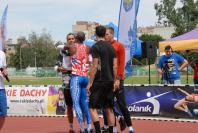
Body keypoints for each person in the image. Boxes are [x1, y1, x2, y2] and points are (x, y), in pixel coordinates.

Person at [87, 25, 117, 133]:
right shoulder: (111, 47)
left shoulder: (95, 47)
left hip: (99, 80)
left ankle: (98, 131)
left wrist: (90, 83)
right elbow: (115, 66)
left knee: (92, 107)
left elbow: (94, 66)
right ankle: (111, 130)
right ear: (105, 34)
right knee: (109, 108)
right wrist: (115, 81)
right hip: (109, 80)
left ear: (95, 34)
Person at [104, 26, 135, 133]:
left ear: (112, 34)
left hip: (117, 80)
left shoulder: (119, 46)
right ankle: (114, 129)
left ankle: (130, 128)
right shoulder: (104, 47)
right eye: (104, 34)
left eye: (107, 34)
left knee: (121, 104)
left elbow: (121, 64)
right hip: (107, 80)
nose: (105, 36)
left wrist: (118, 79)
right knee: (108, 105)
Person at [68, 31, 92, 133]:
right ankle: (89, 125)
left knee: (76, 103)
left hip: (76, 77)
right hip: (85, 77)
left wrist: (66, 46)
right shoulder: (88, 47)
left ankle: (82, 126)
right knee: (84, 102)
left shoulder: (72, 47)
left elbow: (62, 48)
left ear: (76, 38)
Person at [54, 33, 75, 133]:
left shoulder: (79, 49)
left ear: (75, 40)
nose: (71, 40)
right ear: (67, 41)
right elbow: (55, 66)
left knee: (82, 105)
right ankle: (71, 127)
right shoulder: (62, 51)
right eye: (69, 39)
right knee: (69, 106)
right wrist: (59, 68)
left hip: (78, 81)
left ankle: (84, 127)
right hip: (66, 82)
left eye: (72, 38)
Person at [0, 50, 8, 116]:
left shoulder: (2, 53)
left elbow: (4, 68)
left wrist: (5, 73)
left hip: (1, 88)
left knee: (3, 113)